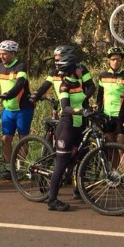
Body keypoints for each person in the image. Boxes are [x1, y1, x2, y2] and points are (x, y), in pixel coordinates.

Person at [45, 51, 90, 211]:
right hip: (67, 127)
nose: (80, 69)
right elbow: (66, 107)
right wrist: (81, 111)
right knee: (61, 164)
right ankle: (52, 200)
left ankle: (80, 189)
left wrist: (91, 110)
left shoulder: (77, 83)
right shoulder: (65, 85)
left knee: (78, 157)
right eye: (77, 66)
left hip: (78, 126)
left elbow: (83, 101)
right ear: (71, 68)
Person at [0, 39, 33, 179]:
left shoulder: (21, 66)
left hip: (23, 108)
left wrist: (6, 95)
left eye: (5, 54)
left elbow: (20, 84)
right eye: (0, 54)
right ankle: (9, 169)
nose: (2, 56)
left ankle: (19, 170)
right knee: (6, 139)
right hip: (8, 110)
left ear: (13, 53)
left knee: (22, 139)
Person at [95, 45, 124, 149]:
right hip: (107, 116)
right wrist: (98, 113)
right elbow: (99, 97)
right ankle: (113, 166)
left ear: (122, 61)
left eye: (118, 59)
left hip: (120, 117)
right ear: (109, 60)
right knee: (110, 150)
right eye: (113, 59)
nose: (115, 62)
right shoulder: (103, 76)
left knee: (122, 149)